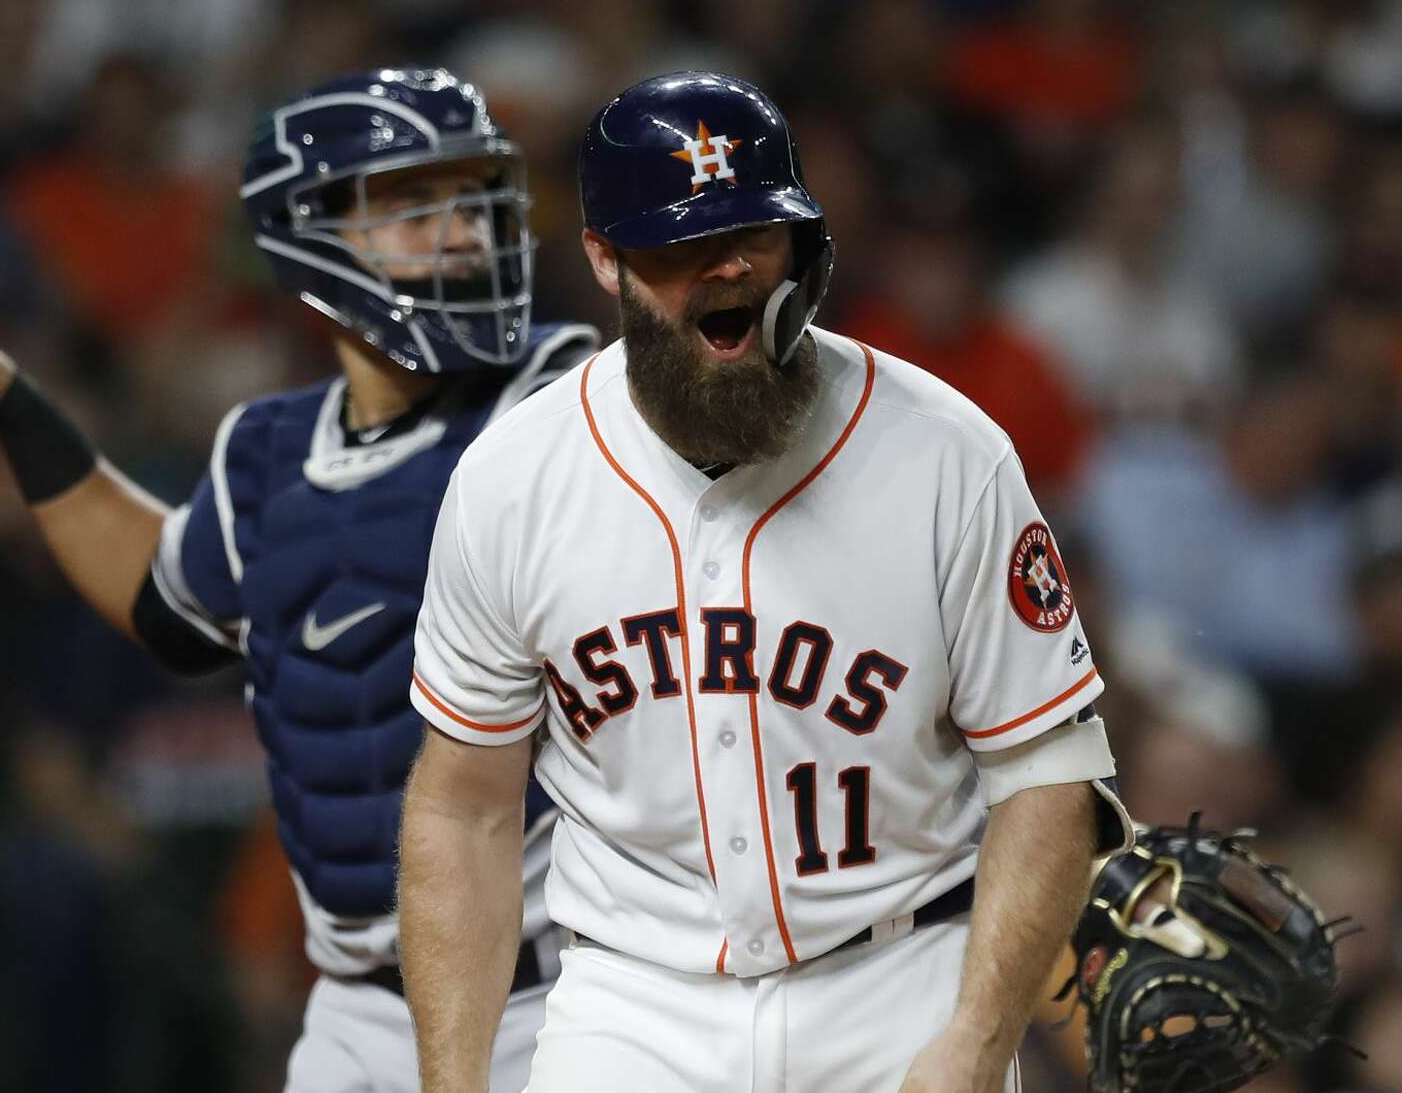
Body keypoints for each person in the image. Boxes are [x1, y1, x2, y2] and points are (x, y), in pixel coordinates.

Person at [0, 68, 596, 1093]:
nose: (464, 234)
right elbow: (161, 599)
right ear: (309, 235)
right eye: (417, 205)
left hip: (564, 1002)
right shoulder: (265, 451)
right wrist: (6, 401)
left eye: (477, 201)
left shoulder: (569, 402)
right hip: (351, 1010)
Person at [397, 71, 1130, 1093]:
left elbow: (1047, 776)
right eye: (681, 245)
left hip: (902, 983)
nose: (729, 266)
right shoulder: (517, 481)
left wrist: (974, 1041)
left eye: (754, 231)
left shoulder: (946, 456)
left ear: (807, 245)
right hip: (633, 1006)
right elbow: (463, 807)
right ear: (604, 260)